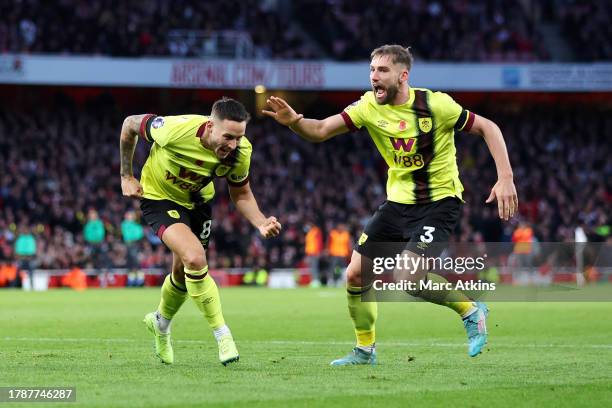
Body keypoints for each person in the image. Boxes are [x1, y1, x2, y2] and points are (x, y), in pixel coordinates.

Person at [263, 44, 518, 365]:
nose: (374, 77)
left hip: (439, 202)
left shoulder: (435, 104)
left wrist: (505, 176)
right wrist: (294, 121)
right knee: (355, 275)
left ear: (403, 75)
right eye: (371, 70)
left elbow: (488, 127)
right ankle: (364, 350)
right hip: (397, 205)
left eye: (382, 71)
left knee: (408, 278)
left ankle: (470, 310)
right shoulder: (369, 106)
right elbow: (321, 130)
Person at [119, 97, 281, 365]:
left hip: (198, 203)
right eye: (228, 136)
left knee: (183, 274)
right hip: (159, 198)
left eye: (239, 138)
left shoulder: (241, 152)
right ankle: (222, 335)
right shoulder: (173, 130)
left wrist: (261, 221)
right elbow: (129, 124)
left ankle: (160, 324)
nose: (233, 145)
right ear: (210, 126)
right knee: (194, 257)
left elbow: (241, 193)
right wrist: (126, 175)